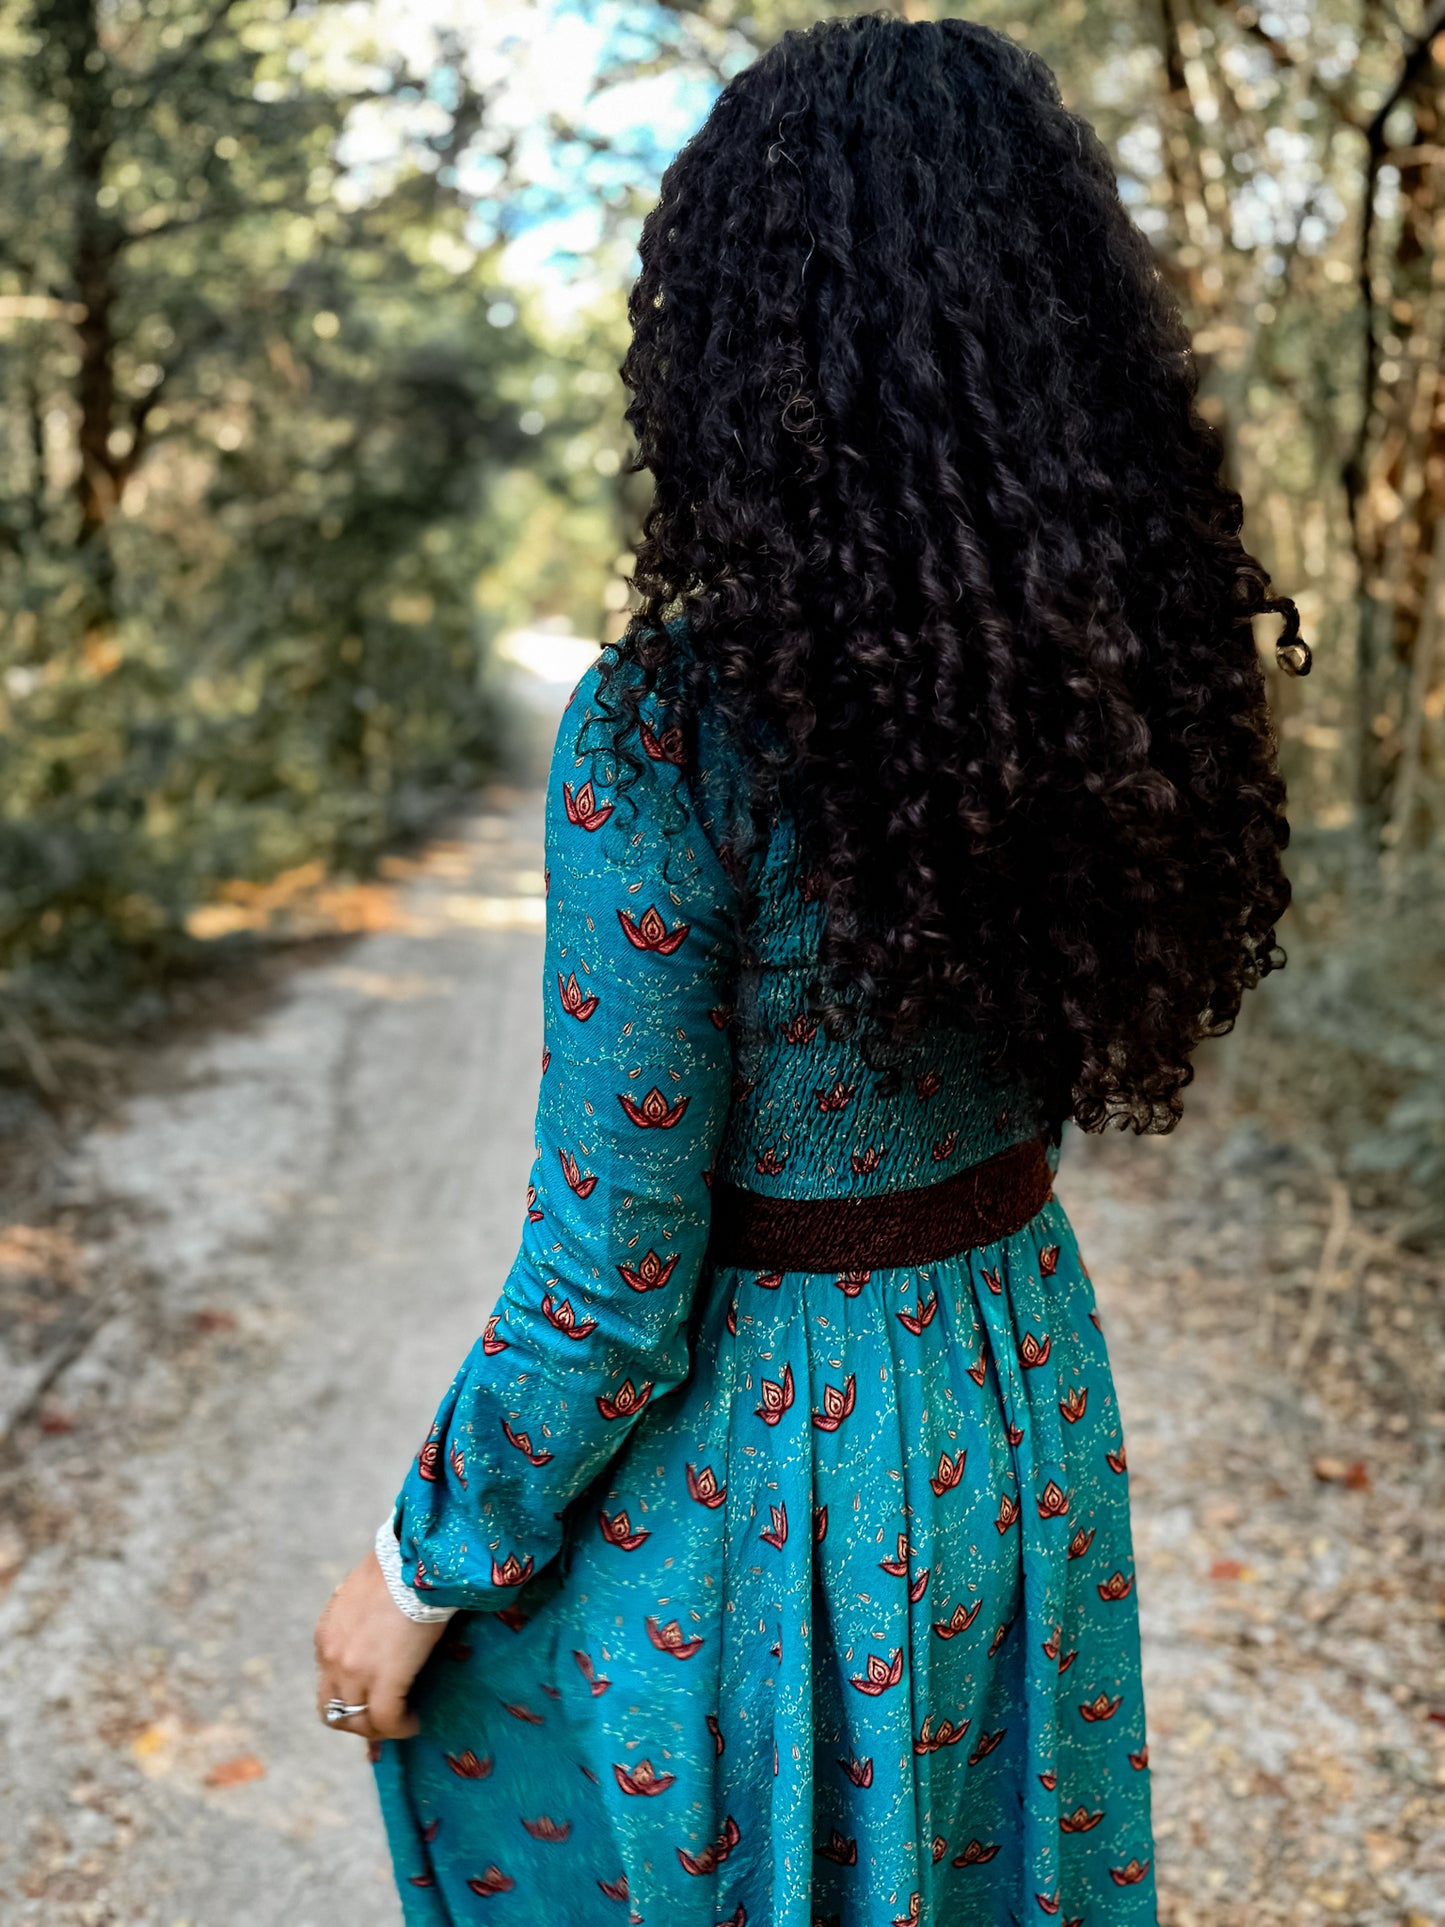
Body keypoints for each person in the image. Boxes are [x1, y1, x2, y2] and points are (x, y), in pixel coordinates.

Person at [313, 14, 1308, 1924]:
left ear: (731, 349)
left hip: (781, 1476)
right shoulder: (1110, 685)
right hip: (1017, 1385)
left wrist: (412, 1565)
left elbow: (608, 1282)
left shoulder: (673, 736)